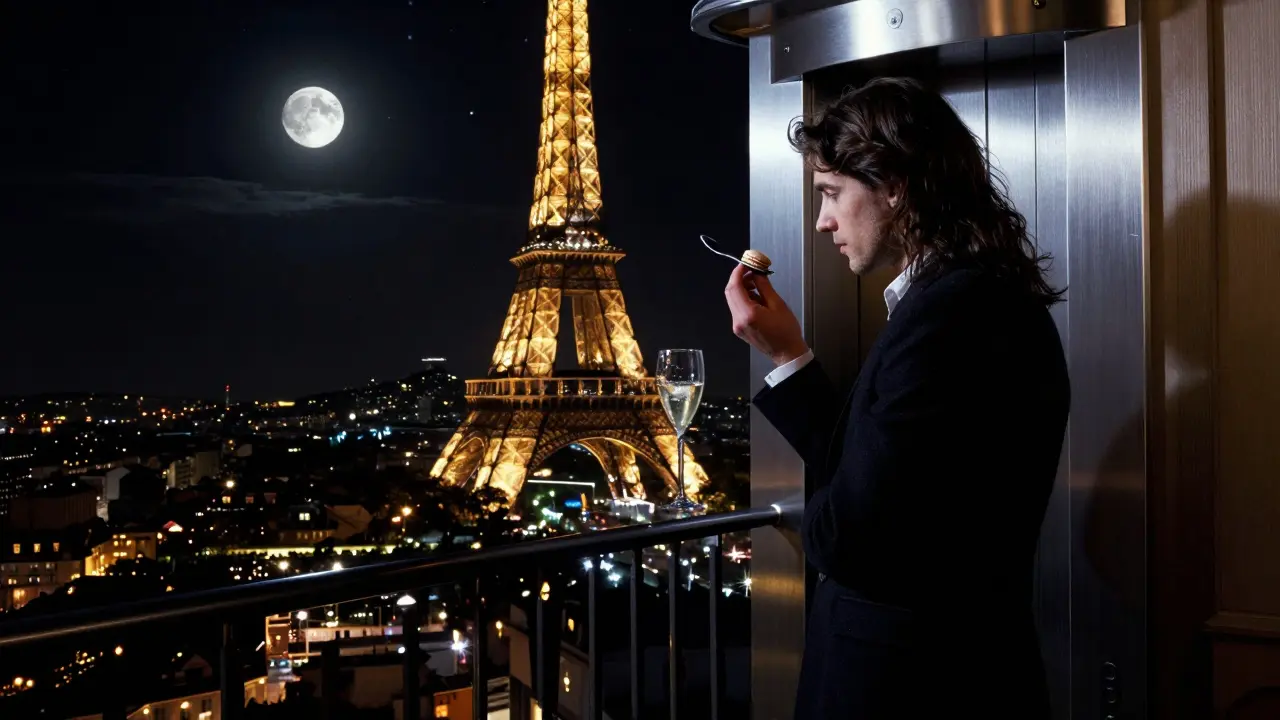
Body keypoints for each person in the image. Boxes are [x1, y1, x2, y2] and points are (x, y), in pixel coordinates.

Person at [724, 77, 1070, 718]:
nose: (822, 220)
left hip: (908, 684)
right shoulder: (974, 300)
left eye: (831, 193)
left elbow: (846, 537)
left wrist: (824, 513)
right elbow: (886, 480)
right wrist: (787, 356)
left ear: (894, 184)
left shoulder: (951, 315)